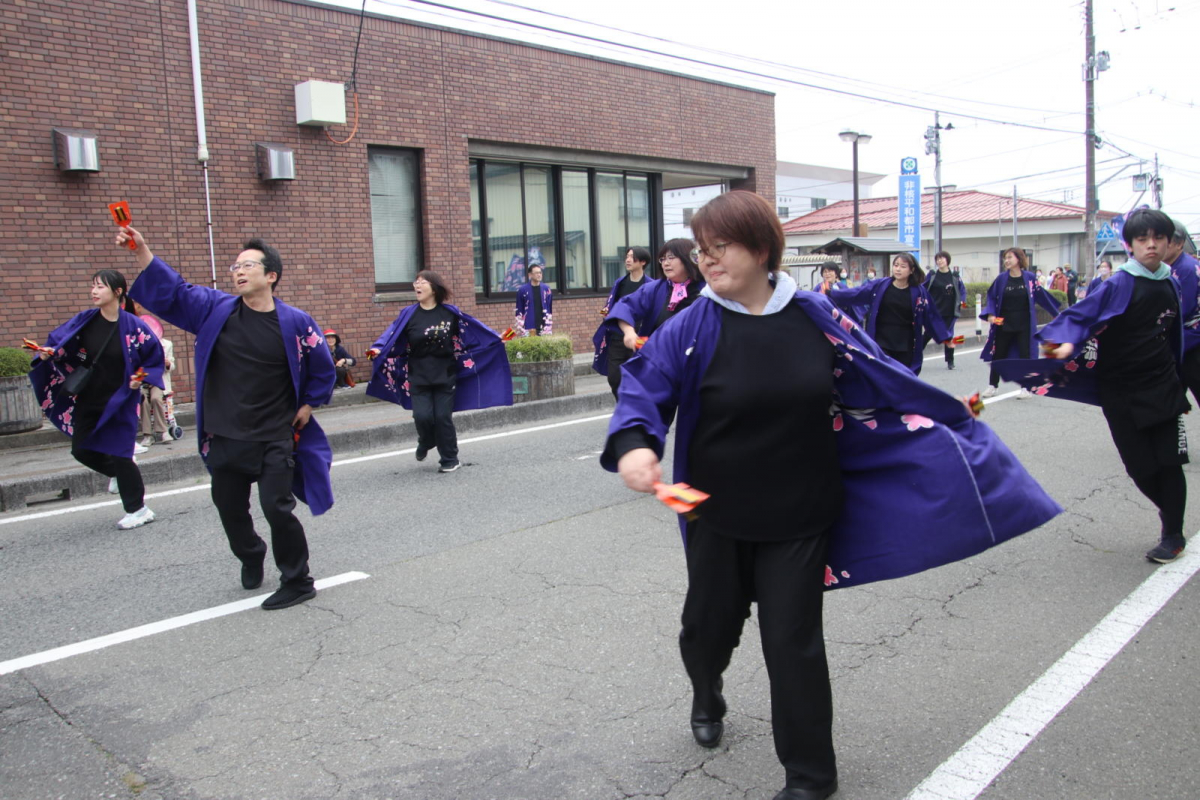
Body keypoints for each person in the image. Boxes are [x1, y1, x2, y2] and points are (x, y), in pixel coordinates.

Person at [603, 190, 1059, 800]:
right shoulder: (691, 326)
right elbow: (643, 389)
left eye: (722, 248)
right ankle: (707, 688)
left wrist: (949, 413)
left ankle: (811, 777)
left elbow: (880, 375)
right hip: (715, 509)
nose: (706, 261)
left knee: (792, 642)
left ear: (762, 249)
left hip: (802, 508)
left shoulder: (815, 317)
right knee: (706, 630)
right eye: (702, 251)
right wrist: (636, 442)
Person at [117, 225, 336, 611]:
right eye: (235, 265)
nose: (238, 271)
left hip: (274, 433)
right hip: (225, 434)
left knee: (277, 508)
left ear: (271, 275)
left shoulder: (296, 322)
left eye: (248, 265)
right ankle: (251, 554)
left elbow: (322, 367)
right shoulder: (214, 309)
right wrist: (141, 251)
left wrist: (308, 405)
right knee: (230, 508)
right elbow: (175, 291)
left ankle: (298, 580)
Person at [997, 209, 1189, 563]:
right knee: (1140, 467)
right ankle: (1168, 512)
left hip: (1163, 385)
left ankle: (1173, 532)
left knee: (1170, 461)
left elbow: (1174, 335)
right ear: (1129, 245)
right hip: (1120, 387)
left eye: (1157, 238)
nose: (1151, 245)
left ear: (1168, 242)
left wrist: (1181, 380)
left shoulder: (1171, 282)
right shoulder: (1120, 283)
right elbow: (1079, 316)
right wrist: (1060, 344)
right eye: (1142, 239)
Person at [29, 270, 164, 530]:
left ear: (117, 292)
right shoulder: (86, 320)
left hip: (121, 398)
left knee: (121, 452)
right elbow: (64, 345)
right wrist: (50, 353)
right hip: (89, 395)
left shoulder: (133, 325)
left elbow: (153, 357)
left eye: (100, 287)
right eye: (93, 286)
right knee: (81, 449)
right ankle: (115, 472)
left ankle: (138, 509)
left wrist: (140, 377)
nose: (93, 291)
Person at [366, 270, 512, 473]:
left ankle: (450, 459)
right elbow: (391, 335)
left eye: (422, 282)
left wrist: (497, 337)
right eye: (415, 282)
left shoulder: (449, 313)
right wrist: (377, 349)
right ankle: (426, 441)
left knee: (443, 417)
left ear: (433, 288)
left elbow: (473, 333)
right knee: (422, 416)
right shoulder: (408, 314)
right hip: (418, 374)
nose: (417, 285)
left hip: (445, 373)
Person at [829, 252, 953, 374]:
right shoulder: (881, 285)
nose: (898, 269)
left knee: (903, 378)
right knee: (882, 375)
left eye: (903, 266)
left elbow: (931, 315)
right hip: (881, 340)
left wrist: (945, 338)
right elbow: (857, 293)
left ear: (911, 270)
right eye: (896, 265)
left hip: (906, 343)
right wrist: (832, 294)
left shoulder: (919, 293)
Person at [602, 239, 704, 358]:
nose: (665, 263)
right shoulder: (626, 283)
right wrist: (628, 332)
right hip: (653, 355)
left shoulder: (707, 289)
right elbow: (620, 305)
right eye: (663, 259)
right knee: (616, 374)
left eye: (671, 257)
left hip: (695, 359)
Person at [980, 247, 1060, 397]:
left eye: (1010, 257)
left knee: (1025, 356)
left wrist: (1056, 314)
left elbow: (1042, 296)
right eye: (1005, 258)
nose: (1007, 261)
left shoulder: (1029, 278)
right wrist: (990, 314)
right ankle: (992, 386)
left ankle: (1026, 387)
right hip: (1003, 322)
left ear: (1019, 259)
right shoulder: (1002, 279)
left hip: (1025, 323)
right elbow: (991, 296)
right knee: (999, 355)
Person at [592, 246, 651, 397]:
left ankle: (634, 409)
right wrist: (604, 315)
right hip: (617, 336)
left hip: (639, 338)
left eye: (632, 257)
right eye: (627, 256)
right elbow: (609, 304)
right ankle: (623, 405)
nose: (628, 259)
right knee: (614, 378)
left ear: (643, 261)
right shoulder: (620, 283)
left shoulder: (650, 285)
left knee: (637, 376)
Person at [1163, 221, 1200, 407]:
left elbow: (1181, 310)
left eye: (1165, 240)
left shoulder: (1185, 268)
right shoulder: (1170, 267)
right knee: (1172, 402)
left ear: (1179, 244)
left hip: (1193, 344)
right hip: (1183, 343)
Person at [924, 250, 967, 370]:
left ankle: (950, 361)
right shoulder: (932, 275)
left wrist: (962, 301)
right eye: (937, 259)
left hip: (949, 311)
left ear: (947, 260)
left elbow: (962, 290)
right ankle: (914, 357)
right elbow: (923, 288)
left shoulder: (955, 276)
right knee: (927, 335)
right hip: (934, 311)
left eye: (942, 258)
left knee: (948, 336)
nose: (939, 261)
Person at [136, 312, 174, 447]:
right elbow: (136, 367)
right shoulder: (138, 346)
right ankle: (147, 435)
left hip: (158, 380)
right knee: (143, 401)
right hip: (143, 380)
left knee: (156, 399)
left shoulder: (167, 344)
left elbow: (171, 365)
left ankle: (163, 431)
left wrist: (168, 363)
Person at [514, 262, 553, 336]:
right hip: (528, 327)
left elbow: (549, 307)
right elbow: (519, 310)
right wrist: (521, 327)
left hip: (544, 326)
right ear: (530, 275)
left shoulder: (546, 289)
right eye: (536, 273)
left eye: (540, 273)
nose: (539, 275)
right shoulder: (522, 290)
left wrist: (548, 324)